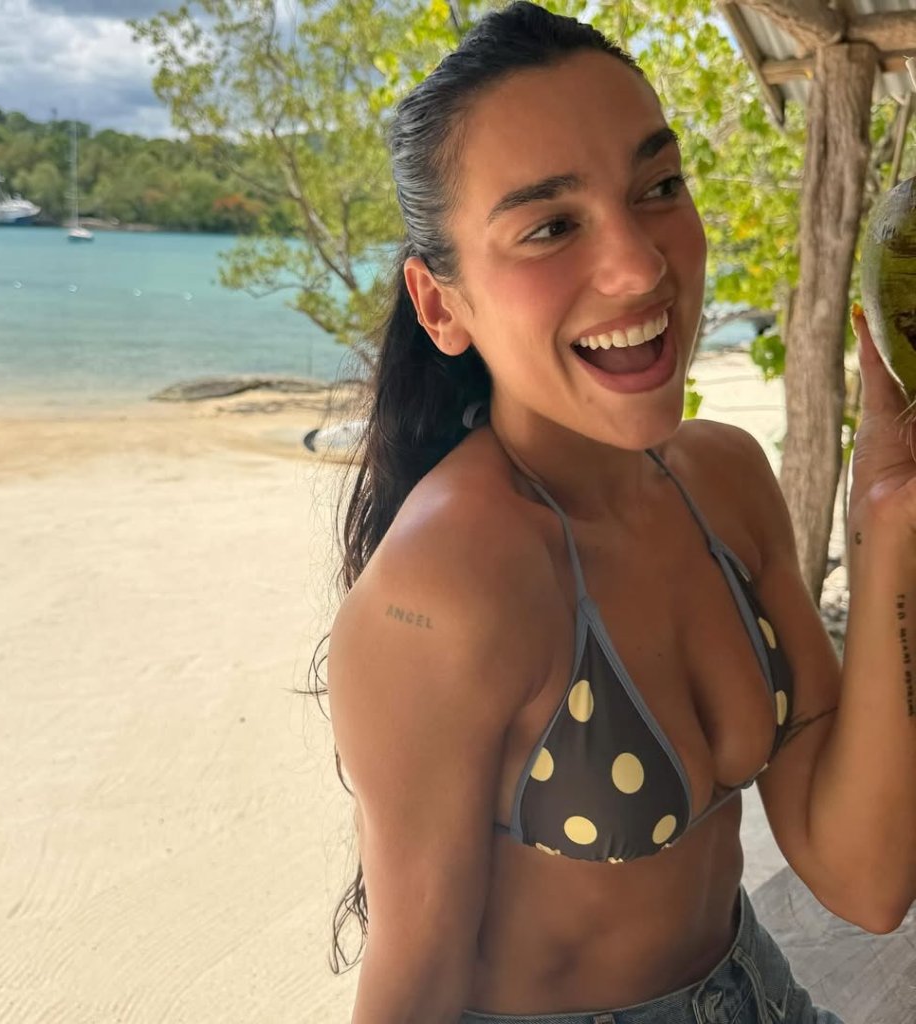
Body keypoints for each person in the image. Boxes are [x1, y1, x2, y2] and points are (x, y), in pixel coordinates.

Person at [321, 4, 916, 1022]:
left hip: (763, 993)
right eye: (550, 226)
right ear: (441, 306)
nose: (641, 265)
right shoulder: (446, 589)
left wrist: (886, 519)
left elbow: (863, 878)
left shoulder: (724, 480)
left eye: (659, 187)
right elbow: (414, 983)